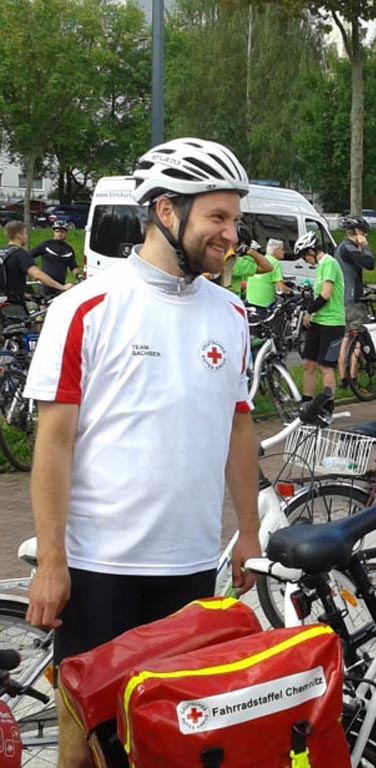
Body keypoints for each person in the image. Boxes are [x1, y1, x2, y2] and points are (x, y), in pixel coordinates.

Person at [23, 137, 261, 768]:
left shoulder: (232, 313)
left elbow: (238, 428)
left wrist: (249, 532)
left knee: (173, 746)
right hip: (98, 567)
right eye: (218, 217)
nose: (231, 234)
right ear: (165, 211)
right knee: (84, 749)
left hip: (189, 567)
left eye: (235, 219)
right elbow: (54, 443)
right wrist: (52, 563)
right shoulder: (84, 308)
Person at [295, 231, 345, 399]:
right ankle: (306, 401)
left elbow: (326, 294)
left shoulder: (329, 263)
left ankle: (327, 405)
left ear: (311, 251)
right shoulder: (320, 267)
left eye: (304, 257)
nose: (305, 261)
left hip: (332, 323)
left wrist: (309, 311)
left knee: (326, 366)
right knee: (308, 364)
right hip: (318, 322)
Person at [333, 216, 373, 385]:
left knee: (345, 339)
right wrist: (365, 246)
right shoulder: (350, 248)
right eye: (364, 233)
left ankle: (343, 378)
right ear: (358, 232)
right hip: (354, 301)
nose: (366, 236)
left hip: (341, 301)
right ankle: (353, 377)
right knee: (359, 340)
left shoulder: (340, 248)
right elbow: (369, 264)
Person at [2, 220, 71, 309]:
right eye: (25, 234)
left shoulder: (2, 253)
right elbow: (38, 274)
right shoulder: (20, 254)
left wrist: (27, 295)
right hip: (13, 306)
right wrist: (62, 287)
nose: (27, 236)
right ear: (18, 235)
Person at [29, 220, 82, 297]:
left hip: (60, 285)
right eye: (57, 231)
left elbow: (73, 266)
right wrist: (34, 271)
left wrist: (78, 276)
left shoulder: (69, 249)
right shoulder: (46, 245)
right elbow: (28, 256)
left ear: (66, 233)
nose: (60, 234)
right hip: (45, 285)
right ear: (53, 232)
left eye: (62, 232)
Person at [245, 238, 289, 309]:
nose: (284, 252)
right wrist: (290, 292)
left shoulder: (261, 260)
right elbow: (281, 289)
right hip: (264, 303)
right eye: (282, 249)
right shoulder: (275, 263)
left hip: (250, 300)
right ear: (276, 250)